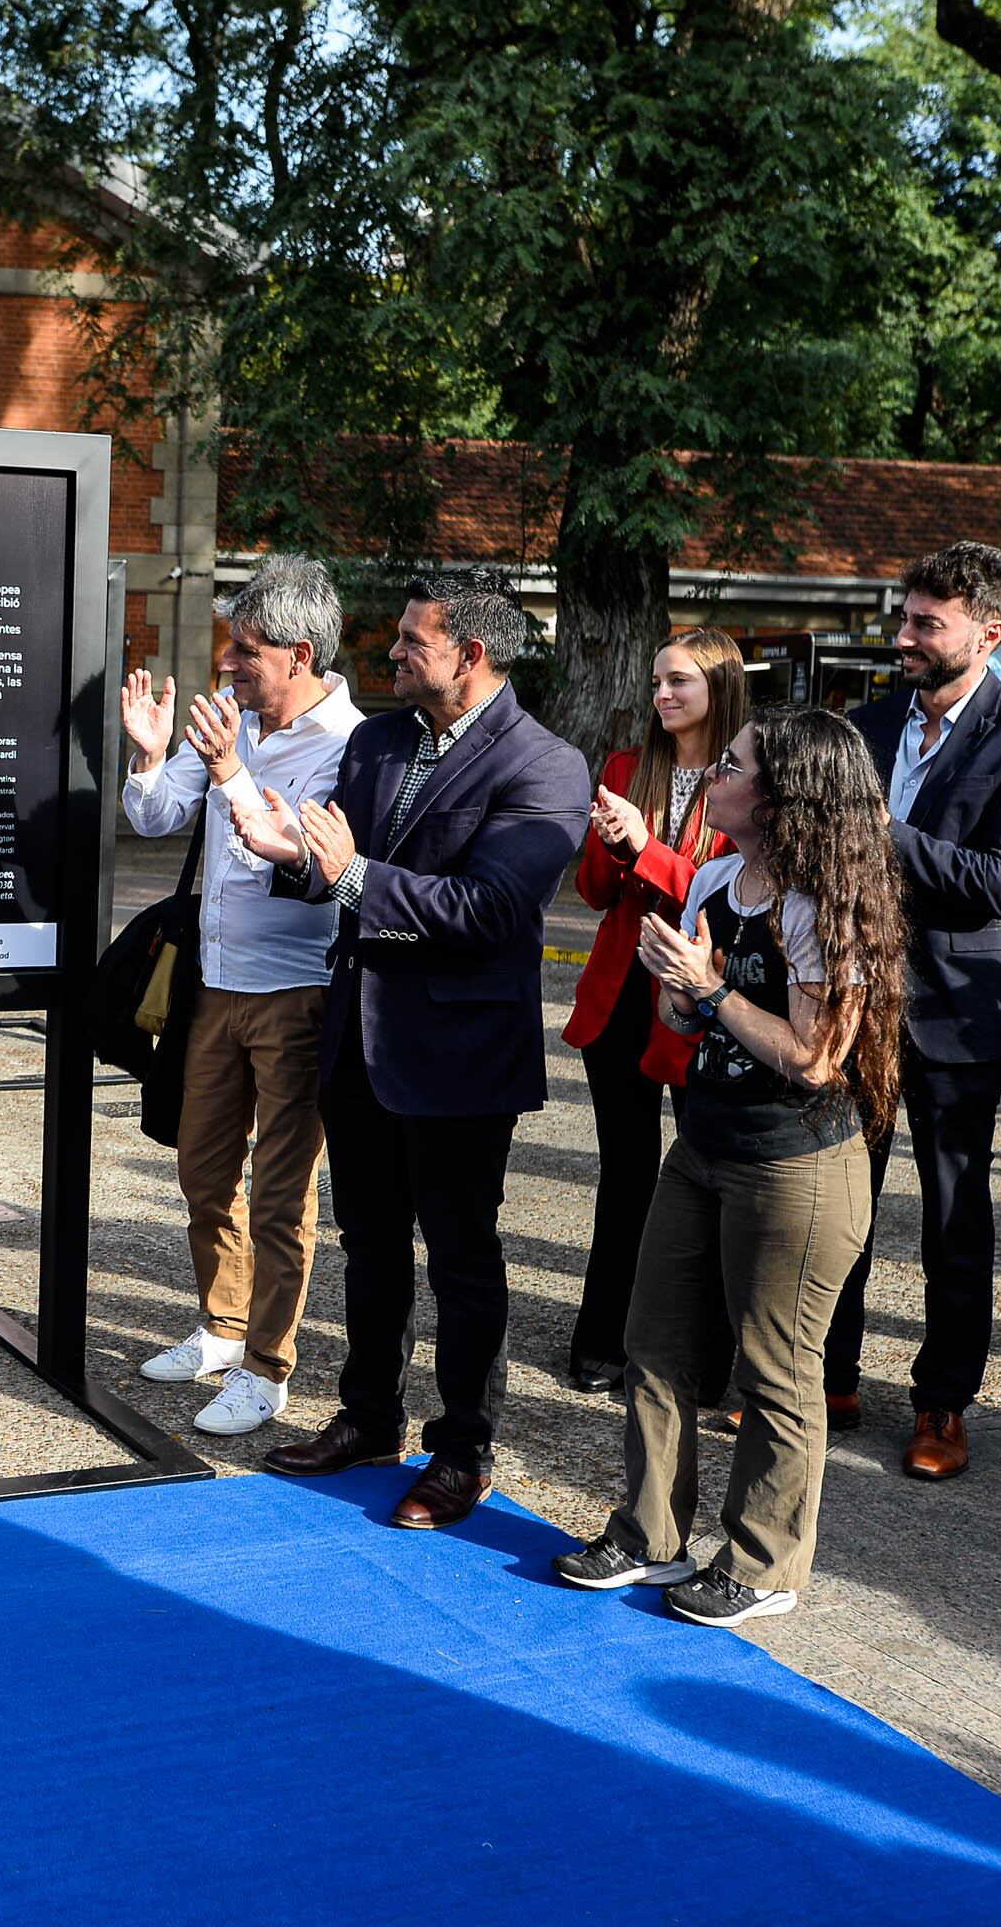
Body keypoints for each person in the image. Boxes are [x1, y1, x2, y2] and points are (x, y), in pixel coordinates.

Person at [233, 567, 591, 1529]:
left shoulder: (544, 765)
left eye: (410, 641)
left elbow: (489, 912)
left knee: (463, 1258)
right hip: (361, 1037)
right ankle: (369, 1416)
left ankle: (464, 1449)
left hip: (461, 1054)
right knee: (371, 1244)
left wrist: (347, 875)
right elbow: (341, 876)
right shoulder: (381, 739)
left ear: (470, 656)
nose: (389, 653)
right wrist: (293, 860)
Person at [553, 707, 907, 1627]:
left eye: (736, 766)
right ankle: (648, 1537)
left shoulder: (825, 907)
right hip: (704, 1146)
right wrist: (675, 992)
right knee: (655, 1344)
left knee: (777, 1372)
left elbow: (816, 1058)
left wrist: (710, 990)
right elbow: (685, 1026)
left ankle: (763, 1565)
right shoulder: (714, 875)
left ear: (786, 795)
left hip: (794, 1164)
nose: (714, 778)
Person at [822, 542, 1001, 1482]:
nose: (905, 637)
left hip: (961, 1009)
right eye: (905, 617)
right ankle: (831, 1378)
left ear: (989, 631)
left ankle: (942, 1404)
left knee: (953, 1215)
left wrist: (881, 833)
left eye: (927, 623)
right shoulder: (870, 721)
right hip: (849, 998)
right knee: (838, 1199)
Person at [114, 555, 365, 1434]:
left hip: (297, 991)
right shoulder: (235, 723)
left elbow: (288, 849)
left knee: (281, 1192)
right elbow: (153, 818)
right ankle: (219, 1326)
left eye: (246, 648)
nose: (228, 661)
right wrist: (151, 758)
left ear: (299, 654)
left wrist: (224, 772)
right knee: (202, 1166)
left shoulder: (350, 746)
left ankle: (267, 1366)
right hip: (214, 984)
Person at [562, 626, 746, 1394]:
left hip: (700, 1000)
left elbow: (728, 894)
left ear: (719, 690)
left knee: (704, 1180)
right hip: (619, 1004)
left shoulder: (747, 777)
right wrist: (611, 844)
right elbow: (595, 892)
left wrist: (644, 847)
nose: (663, 696)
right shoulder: (628, 767)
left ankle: (699, 1355)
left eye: (680, 683)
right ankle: (605, 1336)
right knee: (626, 1176)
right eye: (657, 683)